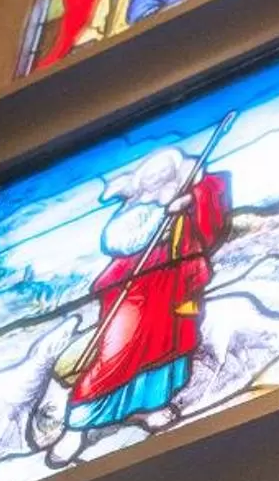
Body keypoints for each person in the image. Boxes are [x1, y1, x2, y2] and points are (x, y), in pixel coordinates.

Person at [49, 150, 233, 464]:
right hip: (134, 290)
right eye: (154, 180)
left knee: (169, 347)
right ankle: (76, 425)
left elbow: (214, 207)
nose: (160, 184)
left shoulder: (187, 199)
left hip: (172, 289)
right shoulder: (135, 211)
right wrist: (164, 215)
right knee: (116, 353)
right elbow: (118, 242)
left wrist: (192, 202)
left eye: (166, 178)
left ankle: (149, 408)